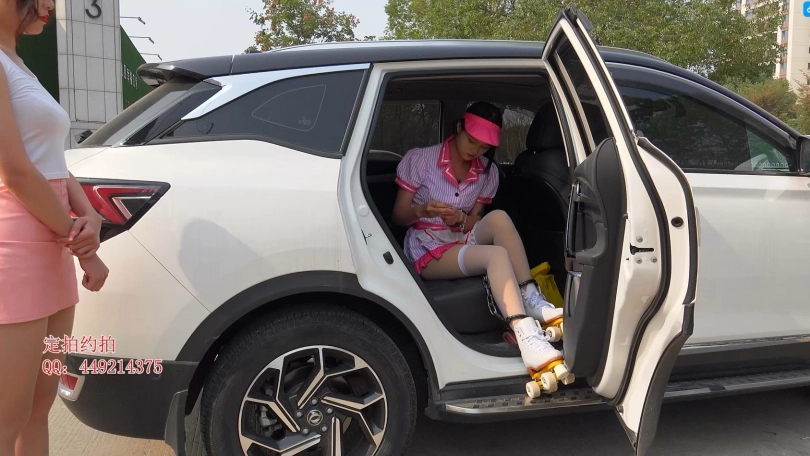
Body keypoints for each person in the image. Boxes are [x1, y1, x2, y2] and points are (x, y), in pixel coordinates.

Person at [0, 1, 109, 455]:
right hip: (15, 249)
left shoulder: (18, 64)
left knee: (38, 408)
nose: (48, 5)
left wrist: (91, 217)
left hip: (52, 248)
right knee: (7, 417)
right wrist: (79, 241)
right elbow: (15, 171)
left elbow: (52, 163)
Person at [392, 101, 564, 372]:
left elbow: (474, 221)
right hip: (427, 246)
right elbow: (399, 216)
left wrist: (460, 218)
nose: (476, 151)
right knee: (495, 255)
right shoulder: (421, 160)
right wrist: (422, 210)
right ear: (459, 127)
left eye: (484, 147)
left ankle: (530, 296)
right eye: (472, 141)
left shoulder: (487, 171)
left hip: (459, 238)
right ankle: (525, 332)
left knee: (500, 218)